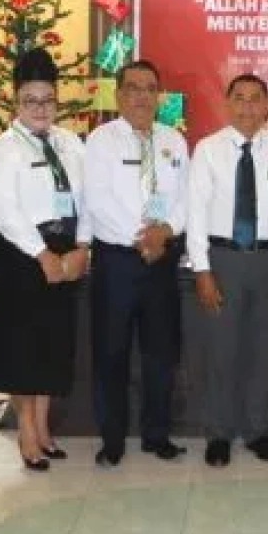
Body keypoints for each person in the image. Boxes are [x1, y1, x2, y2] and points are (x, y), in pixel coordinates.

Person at [0, 49, 90, 470]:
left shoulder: (69, 144)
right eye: (31, 100)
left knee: (51, 348)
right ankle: (26, 434)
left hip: (66, 253)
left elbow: (87, 199)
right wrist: (42, 254)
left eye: (48, 100)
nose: (40, 109)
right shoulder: (3, 149)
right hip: (22, 258)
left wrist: (82, 247)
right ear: (16, 103)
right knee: (24, 351)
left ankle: (44, 429)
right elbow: (4, 211)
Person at [83, 60, 189, 465]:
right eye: (133, 88)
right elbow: (98, 200)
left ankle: (156, 435)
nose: (142, 96)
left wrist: (164, 234)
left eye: (150, 88)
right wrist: (142, 237)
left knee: (161, 352)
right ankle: (112, 440)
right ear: (119, 94)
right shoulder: (101, 141)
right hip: (118, 262)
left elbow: (184, 199)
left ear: (159, 95)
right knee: (111, 352)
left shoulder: (173, 141)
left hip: (162, 260)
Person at [186, 74, 268, 467]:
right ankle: (219, 432)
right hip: (223, 259)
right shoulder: (208, 150)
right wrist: (202, 271)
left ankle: (257, 430)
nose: (248, 107)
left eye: (256, 100)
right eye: (240, 99)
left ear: (267, 105)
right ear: (228, 104)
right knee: (222, 349)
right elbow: (196, 213)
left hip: (267, 259)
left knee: (264, 347)